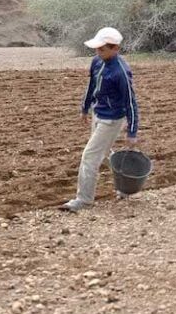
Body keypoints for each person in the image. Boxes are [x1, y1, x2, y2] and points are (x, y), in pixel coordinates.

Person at [60, 27, 140, 212]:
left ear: (115, 49)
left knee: (90, 155)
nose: (98, 52)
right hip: (98, 113)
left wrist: (132, 131)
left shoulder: (121, 72)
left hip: (111, 120)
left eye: (102, 49)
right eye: (97, 48)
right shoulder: (97, 61)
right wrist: (85, 108)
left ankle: (84, 200)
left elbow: (131, 102)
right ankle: (124, 187)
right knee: (103, 152)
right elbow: (91, 86)